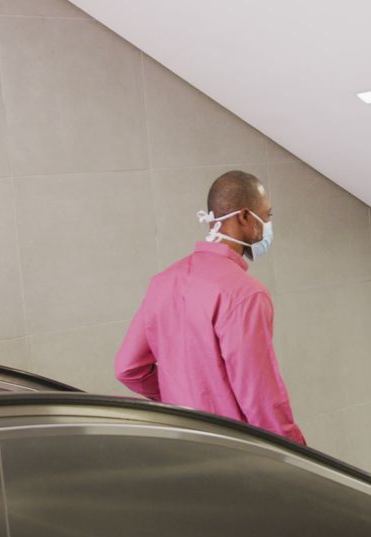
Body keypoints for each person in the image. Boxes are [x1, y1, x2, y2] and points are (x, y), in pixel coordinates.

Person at [114, 170, 306, 445]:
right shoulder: (244, 294)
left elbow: (127, 367)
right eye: (267, 216)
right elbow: (260, 398)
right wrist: (300, 455)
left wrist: (178, 397)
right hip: (235, 451)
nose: (268, 225)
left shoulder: (163, 282)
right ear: (244, 217)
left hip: (183, 442)